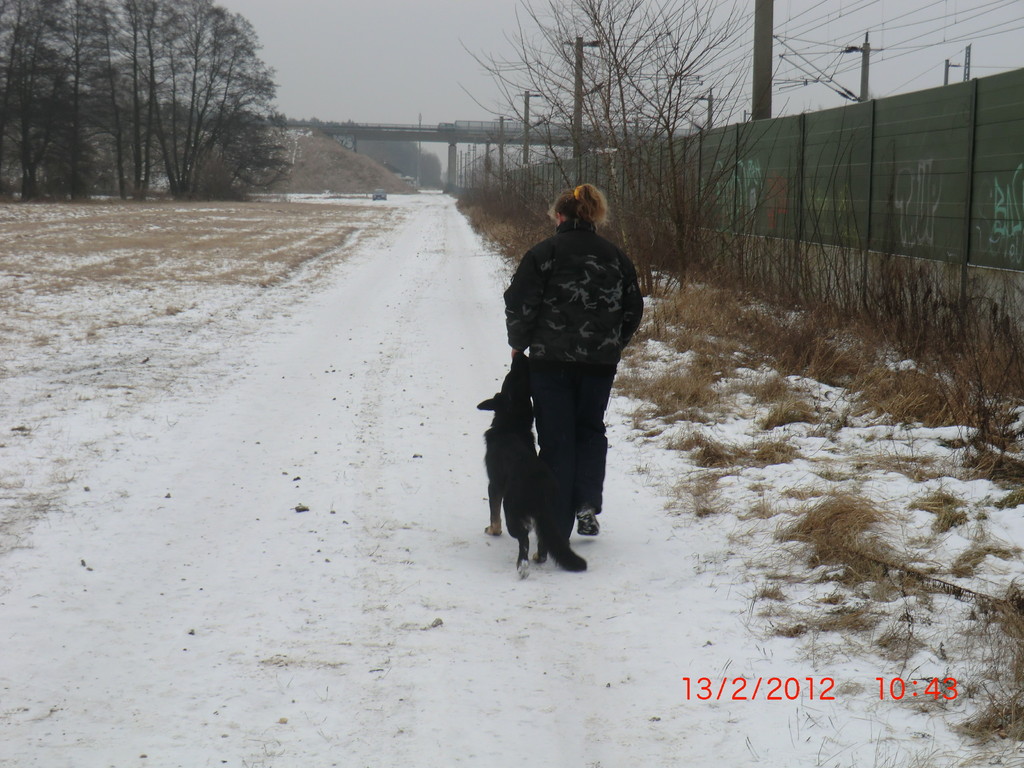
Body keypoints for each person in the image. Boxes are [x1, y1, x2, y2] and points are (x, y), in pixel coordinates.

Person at [503, 183, 644, 540]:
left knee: (555, 437)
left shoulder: (544, 252)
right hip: (599, 364)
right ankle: (586, 503)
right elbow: (633, 309)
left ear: (560, 216)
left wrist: (520, 345)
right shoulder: (616, 257)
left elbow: (519, 302)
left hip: (550, 362)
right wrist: (614, 344)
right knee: (591, 430)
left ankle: (555, 517)